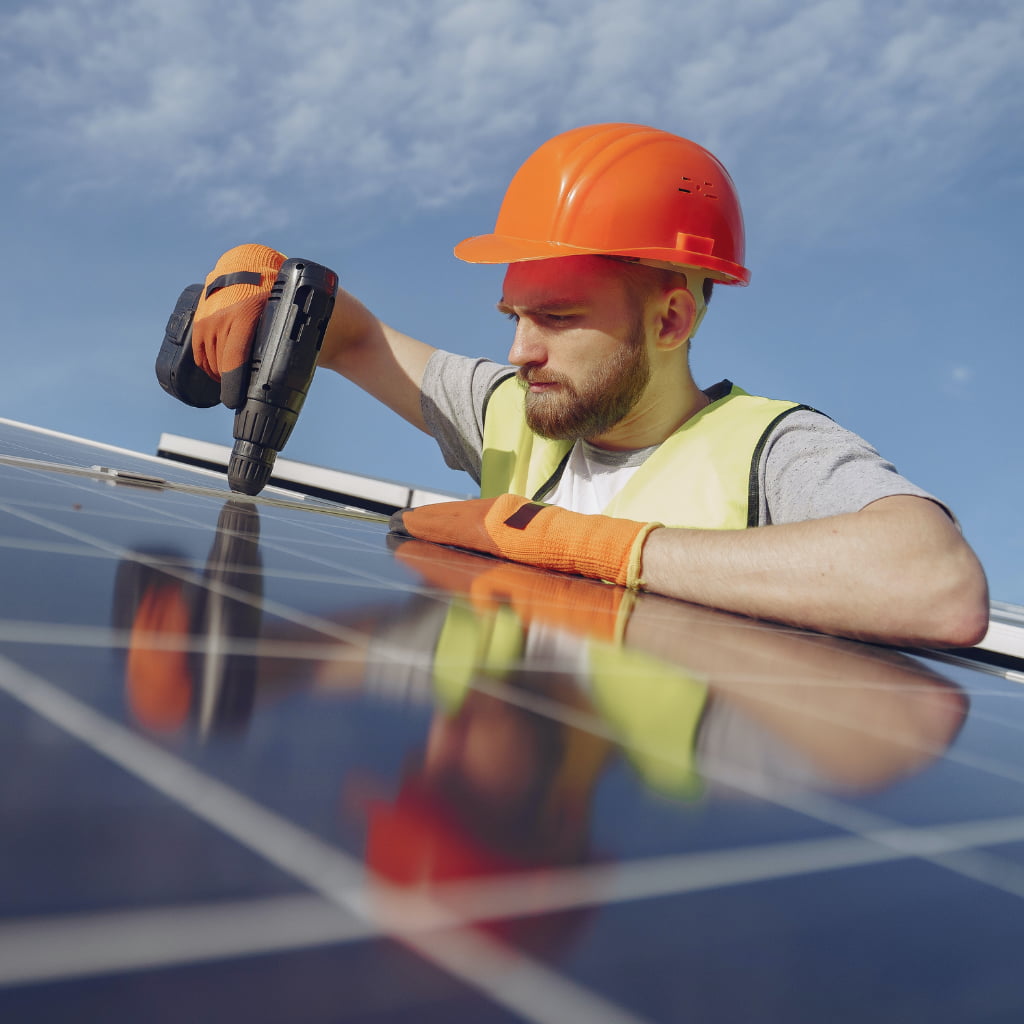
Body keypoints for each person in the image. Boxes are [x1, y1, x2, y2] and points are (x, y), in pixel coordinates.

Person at [189, 123, 988, 648]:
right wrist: (258, 272)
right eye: (514, 313)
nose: (519, 350)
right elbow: (350, 334)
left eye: (560, 317)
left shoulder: (768, 450)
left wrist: (578, 547)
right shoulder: (518, 412)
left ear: (671, 320)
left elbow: (936, 584)